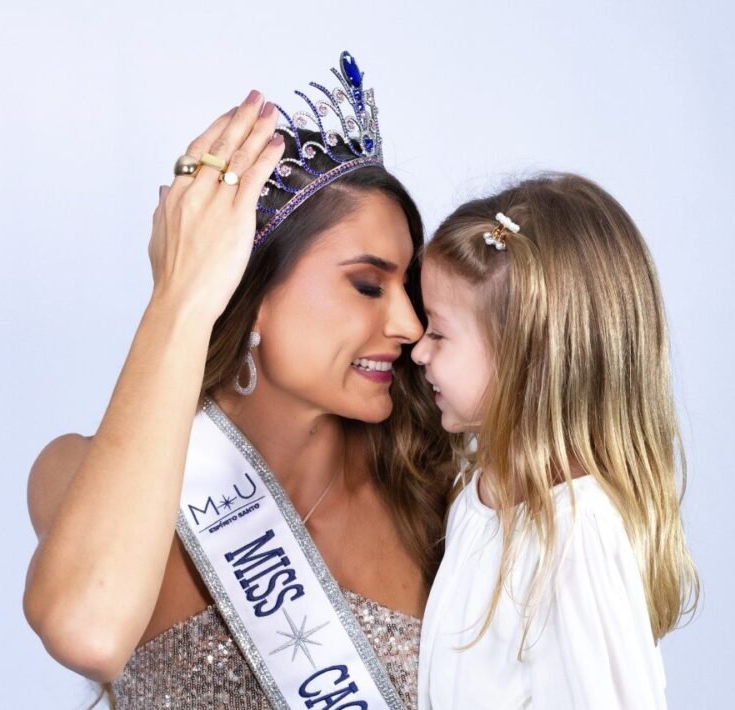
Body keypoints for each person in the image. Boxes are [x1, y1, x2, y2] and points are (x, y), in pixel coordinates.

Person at [23, 53, 451, 709]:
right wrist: (179, 297)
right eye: (368, 285)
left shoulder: (433, 491)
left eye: (409, 289)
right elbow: (89, 631)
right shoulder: (76, 473)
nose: (408, 324)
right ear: (253, 295)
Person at [412, 173, 701, 708]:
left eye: (439, 332)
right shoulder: (477, 497)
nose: (418, 351)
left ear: (524, 353)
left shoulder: (578, 536)